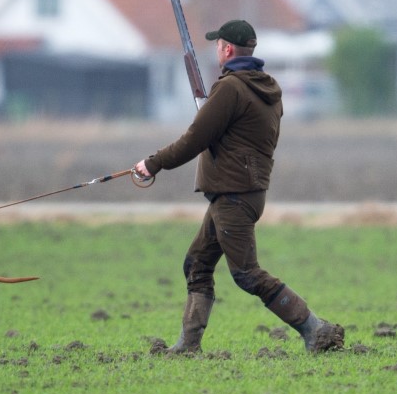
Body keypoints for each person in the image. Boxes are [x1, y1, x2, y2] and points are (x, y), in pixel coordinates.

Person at [133, 18, 346, 354]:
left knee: (246, 274)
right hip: (241, 192)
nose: (217, 50)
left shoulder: (231, 88)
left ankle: (316, 330)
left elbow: (194, 139)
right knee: (197, 264)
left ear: (228, 49)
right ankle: (188, 345)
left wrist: (153, 163)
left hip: (233, 195)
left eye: (218, 45)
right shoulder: (267, 88)